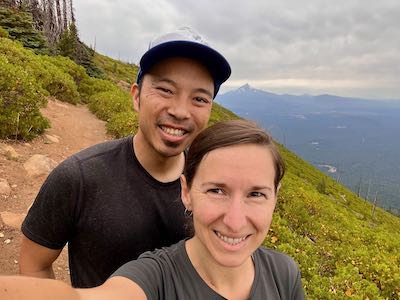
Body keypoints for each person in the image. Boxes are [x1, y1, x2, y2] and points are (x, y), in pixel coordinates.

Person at [18, 27, 231, 288]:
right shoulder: (79, 177)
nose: (180, 111)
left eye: (199, 98)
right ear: (136, 96)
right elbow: (34, 264)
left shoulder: (212, 184)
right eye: (165, 90)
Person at [1, 120, 305, 299]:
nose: (236, 220)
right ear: (186, 192)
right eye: (216, 190)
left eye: (256, 194)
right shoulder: (155, 277)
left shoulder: (284, 273)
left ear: (275, 197)